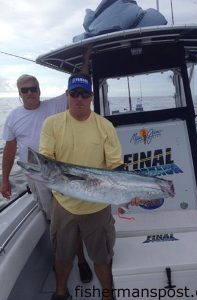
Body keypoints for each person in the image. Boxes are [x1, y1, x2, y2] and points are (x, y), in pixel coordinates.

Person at [39, 72, 128, 300]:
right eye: (75, 93)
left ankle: (107, 296)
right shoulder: (52, 124)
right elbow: (46, 158)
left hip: (97, 207)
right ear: (67, 95)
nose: (79, 98)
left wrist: (127, 192)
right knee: (62, 256)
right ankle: (61, 293)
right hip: (64, 205)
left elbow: (116, 166)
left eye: (84, 94)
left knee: (102, 258)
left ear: (91, 97)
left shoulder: (105, 126)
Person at [0, 73, 92, 284]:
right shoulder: (13, 117)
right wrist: (5, 180)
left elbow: (76, 87)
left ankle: (81, 261)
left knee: (72, 218)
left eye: (34, 88)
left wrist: (86, 60)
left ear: (40, 90)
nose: (30, 93)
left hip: (60, 175)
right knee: (54, 223)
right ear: (19, 94)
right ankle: (61, 260)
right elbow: (9, 150)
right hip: (37, 180)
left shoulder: (53, 105)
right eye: (25, 90)